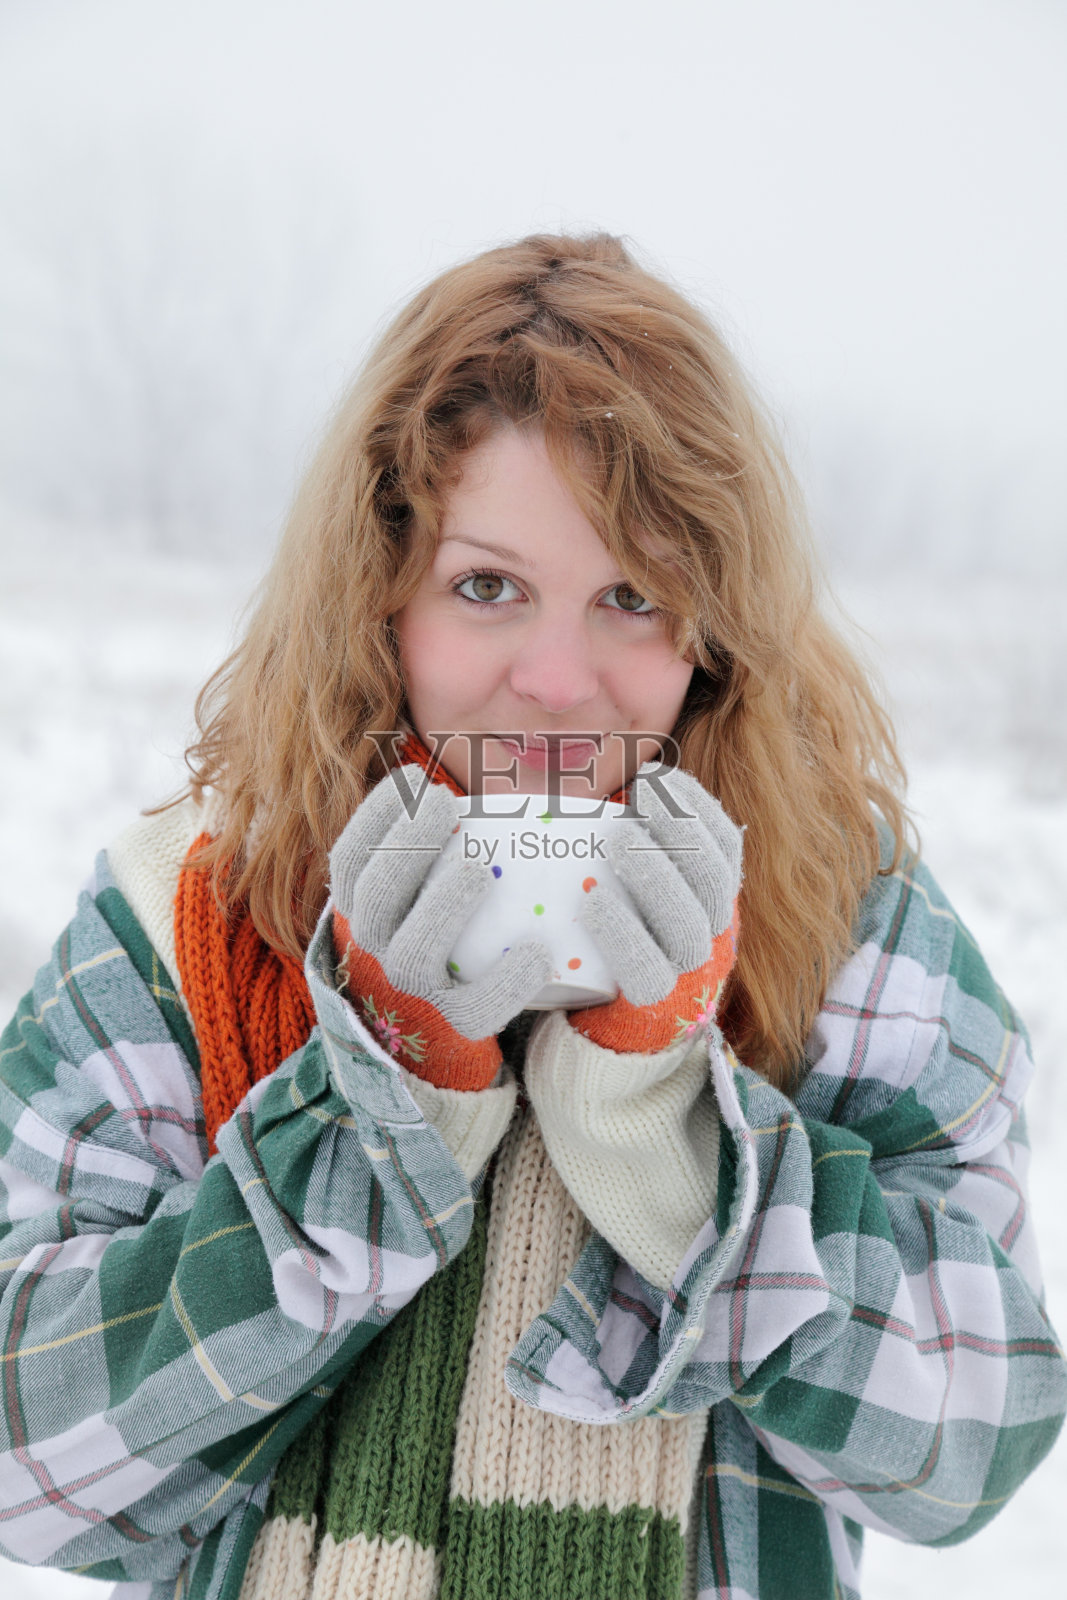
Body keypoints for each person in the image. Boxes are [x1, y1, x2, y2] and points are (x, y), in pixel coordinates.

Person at [0, 233, 1063, 1600]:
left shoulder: (835, 915)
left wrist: (675, 1143)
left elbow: (978, 1444)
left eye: (634, 597)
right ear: (379, 593)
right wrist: (389, 1092)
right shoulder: (195, 915)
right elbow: (29, 1452)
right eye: (487, 587)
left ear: (715, 634)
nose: (558, 683)